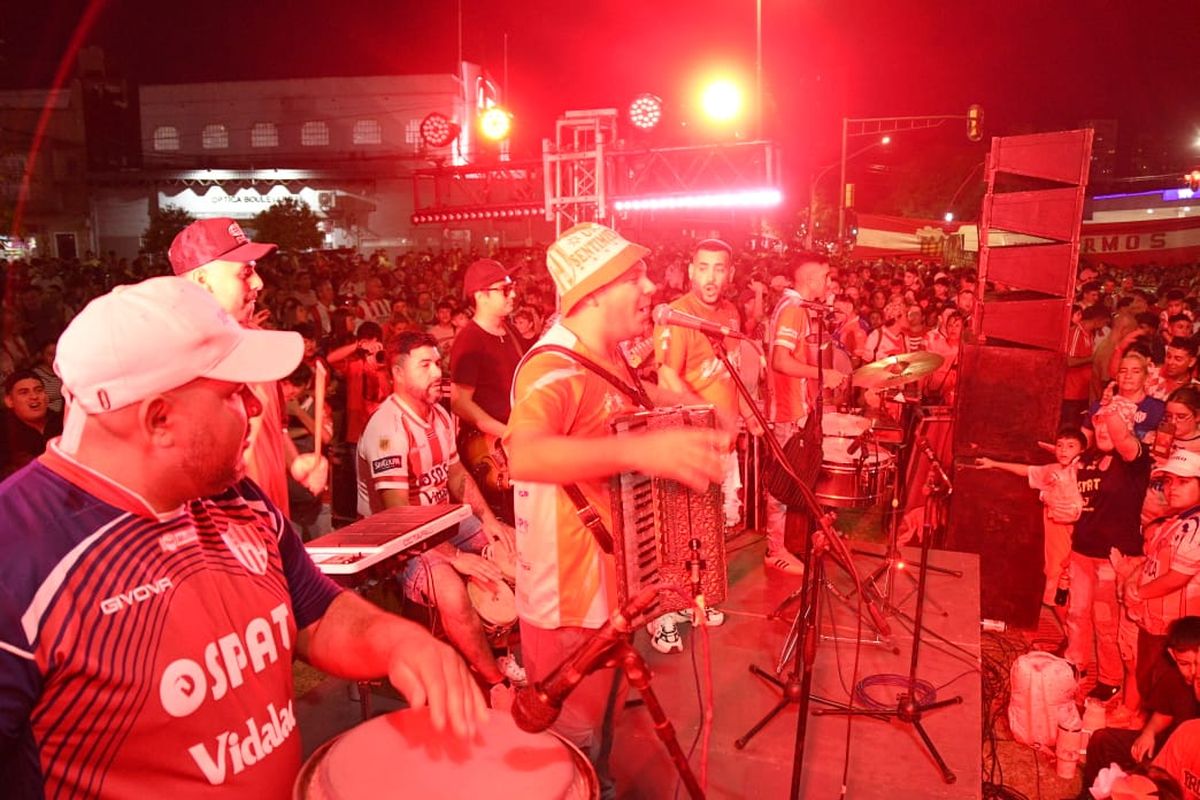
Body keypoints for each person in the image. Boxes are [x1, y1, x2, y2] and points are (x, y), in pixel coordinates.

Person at [0, 277, 484, 799]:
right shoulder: (21, 558)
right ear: (159, 418)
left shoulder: (237, 497)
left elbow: (314, 612)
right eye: (235, 395)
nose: (257, 410)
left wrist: (398, 642)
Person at [505, 222, 727, 798]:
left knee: (599, 734)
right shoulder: (550, 367)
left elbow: (628, 409)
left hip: (609, 583)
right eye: (636, 277)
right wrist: (643, 448)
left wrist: (680, 413)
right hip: (568, 597)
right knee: (571, 746)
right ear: (595, 291)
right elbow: (523, 453)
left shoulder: (610, 360)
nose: (652, 287)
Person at [356, 330, 524, 690]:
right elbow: (399, 518)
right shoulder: (388, 429)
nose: (437, 372)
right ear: (398, 374)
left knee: (513, 546)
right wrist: (455, 558)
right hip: (395, 540)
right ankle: (495, 682)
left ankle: (501, 651)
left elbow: (457, 473)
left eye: (437, 363)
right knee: (451, 591)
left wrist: (489, 521)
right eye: (425, 365)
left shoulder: (440, 417)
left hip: (440, 521)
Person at [168, 217, 328, 517]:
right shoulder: (174, 362)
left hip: (272, 526)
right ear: (203, 279)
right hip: (225, 538)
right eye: (245, 272)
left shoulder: (260, 344)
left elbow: (274, 427)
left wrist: (294, 464)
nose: (258, 282)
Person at [647, 238, 756, 653]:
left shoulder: (729, 312)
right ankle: (662, 616)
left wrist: (741, 417)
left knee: (707, 525)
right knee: (675, 530)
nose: (711, 277)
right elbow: (668, 380)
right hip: (687, 437)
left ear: (730, 274)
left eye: (719, 268)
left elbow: (728, 375)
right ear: (690, 270)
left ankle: (696, 599)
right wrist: (713, 416)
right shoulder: (678, 315)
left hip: (720, 440)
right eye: (703, 267)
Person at [1067, 392, 1154, 704]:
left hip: (1113, 557)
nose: (1104, 430)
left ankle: (1110, 679)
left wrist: (1112, 406)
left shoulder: (1135, 461)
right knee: (1076, 615)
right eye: (1099, 423)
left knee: (1106, 623)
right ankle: (1075, 666)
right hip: (1082, 551)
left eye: (1111, 425)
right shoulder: (1087, 459)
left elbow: (1121, 435)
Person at [765, 252, 846, 576]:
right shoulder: (794, 310)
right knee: (782, 486)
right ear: (811, 279)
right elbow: (780, 361)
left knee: (792, 483)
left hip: (794, 408)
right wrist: (823, 375)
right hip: (788, 411)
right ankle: (775, 550)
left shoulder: (794, 307)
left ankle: (793, 541)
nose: (830, 284)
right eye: (827, 278)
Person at [975, 426, 1086, 638]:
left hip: (1071, 540)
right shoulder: (1053, 469)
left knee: (1064, 592)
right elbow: (1027, 470)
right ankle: (1071, 638)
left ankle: (1074, 641)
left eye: (1071, 446)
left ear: (1082, 450)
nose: (1064, 450)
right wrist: (994, 463)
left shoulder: (1081, 472)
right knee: (1059, 593)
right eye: (1060, 445)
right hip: (1055, 542)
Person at [1080, 616, 1200, 798]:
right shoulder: (1175, 680)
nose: (1192, 672)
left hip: (1187, 765)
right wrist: (1149, 732)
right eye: (1185, 664)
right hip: (1169, 749)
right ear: (1172, 655)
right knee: (1102, 740)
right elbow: (1165, 711)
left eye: (1197, 664)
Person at [449, 259, 525, 520]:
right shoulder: (470, 339)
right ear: (481, 295)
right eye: (504, 289)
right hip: (492, 450)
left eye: (512, 287)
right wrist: (505, 432)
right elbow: (460, 403)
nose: (512, 294)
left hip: (514, 438)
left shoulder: (510, 330)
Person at [1, 369, 63, 479]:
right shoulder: (4, 431)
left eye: (39, 390)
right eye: (24, 392)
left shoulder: (63, 422)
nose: (34, 396)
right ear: (9, 401)